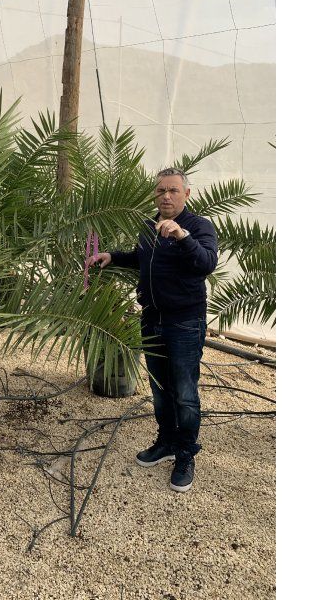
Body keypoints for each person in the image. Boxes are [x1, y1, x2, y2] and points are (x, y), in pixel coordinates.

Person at [87, 168, 218, 492]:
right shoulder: (148, 226)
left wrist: (182, 237)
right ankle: (167, 441)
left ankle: (185, 455)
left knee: (185, 392)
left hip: (185, 322)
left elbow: (206, 263)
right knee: (160, 389)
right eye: (161, 191)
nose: (166, 196)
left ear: (186, 194)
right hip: (152, 319)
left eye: (173, 190)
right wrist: (112, 256)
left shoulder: (199, 226)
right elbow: (142, 258)